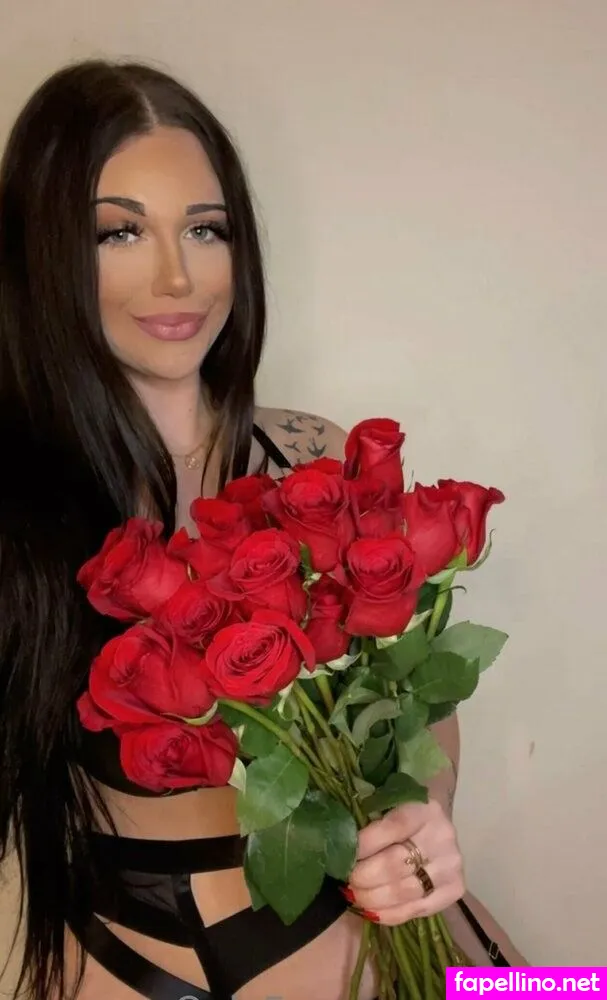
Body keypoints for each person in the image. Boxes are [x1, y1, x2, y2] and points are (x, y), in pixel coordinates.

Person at [0, 59, 525, 1000]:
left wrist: (425, 821)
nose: (177, 276)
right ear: (43, 254)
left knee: (567, 989)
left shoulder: (311, 457)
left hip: (371, 931)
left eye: (206, 229)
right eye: (119, 232)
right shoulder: (17, 515)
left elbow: (414, 690)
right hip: (124, 960)